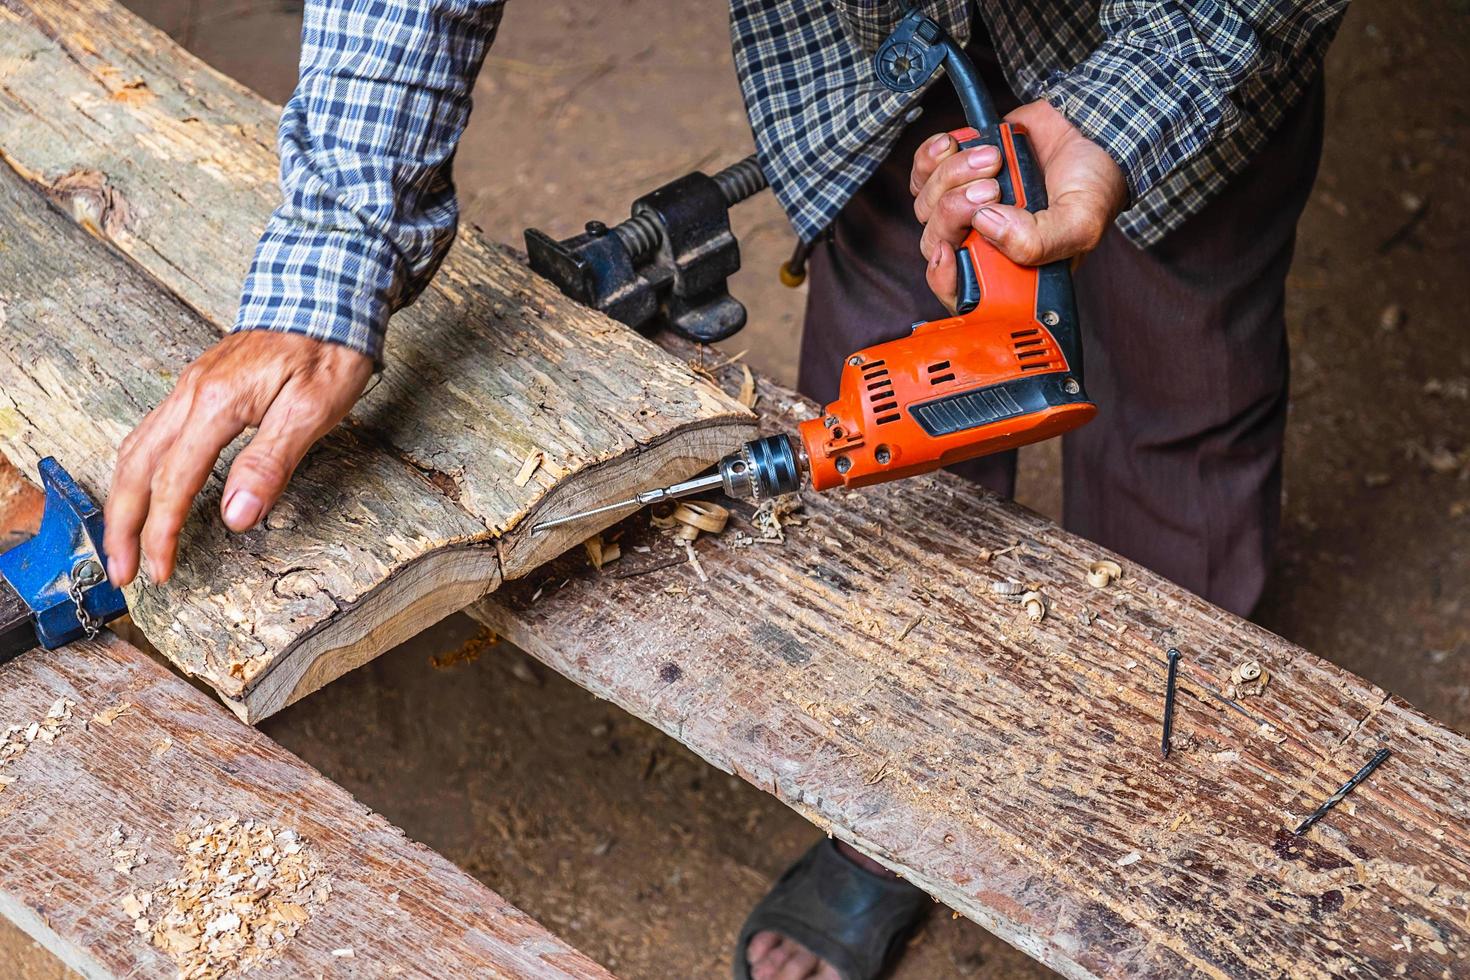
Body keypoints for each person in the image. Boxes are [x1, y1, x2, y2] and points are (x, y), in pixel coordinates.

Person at [102, 2, 1349, 977]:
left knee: (1183, 408)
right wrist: (333, 262)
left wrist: (1133, 111)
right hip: (870, 61)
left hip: (1183, 33)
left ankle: (1151, 832)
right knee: (887, 327)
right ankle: (895, 823)